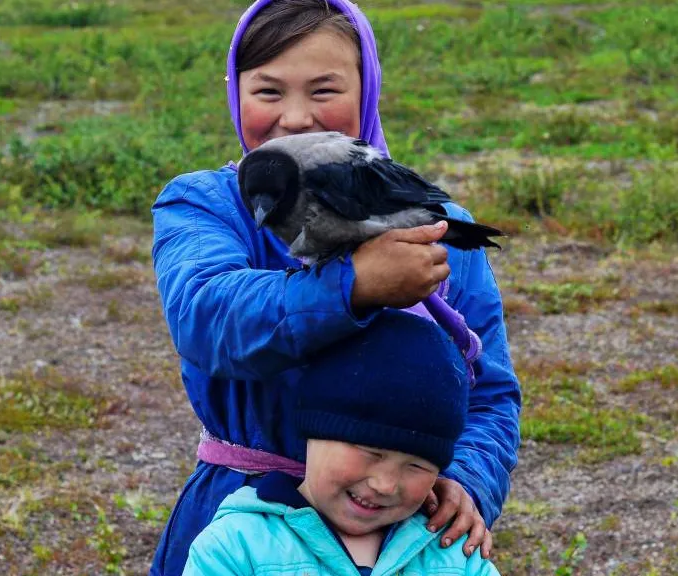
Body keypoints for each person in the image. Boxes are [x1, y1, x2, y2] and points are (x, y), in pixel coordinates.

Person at [150, 1, 521, 574]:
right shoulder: (206, 205)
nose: (297, 118)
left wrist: (466, 480)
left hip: (402, 535)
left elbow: (489, 392)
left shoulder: (433, 223)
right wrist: (353, 286)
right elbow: (207, 318)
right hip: (243, 526)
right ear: (234, 91)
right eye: (268, 92)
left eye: (325, 90)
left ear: (368, 89)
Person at [182, 310, 501, 576]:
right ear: (313, 432)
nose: (385, 485)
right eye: (372, 452)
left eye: (417, 465)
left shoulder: (456, 557)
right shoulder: (235, 547)